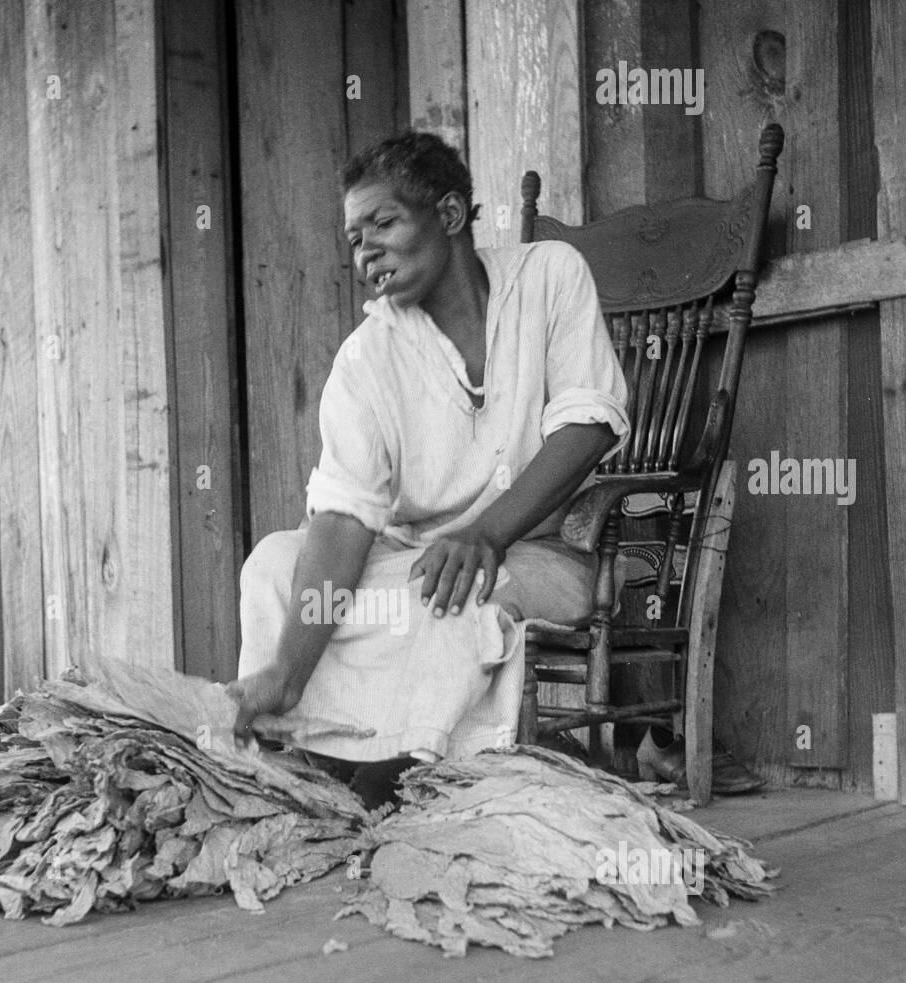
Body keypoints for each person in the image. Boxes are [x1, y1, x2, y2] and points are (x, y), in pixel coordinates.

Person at [230, 130, 630, 807]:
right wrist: (285, 671)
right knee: (274, 561)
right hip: (411, 556)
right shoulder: (367, 359)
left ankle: (414, 760)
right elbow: (345, 515)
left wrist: (485, 534)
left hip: (540, 552)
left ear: (447, 215)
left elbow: (587, 425)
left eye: (383, 222)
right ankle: (314, 741)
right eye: (355, 238)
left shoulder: (547, 276)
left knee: (443, 587)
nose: (366, 251)